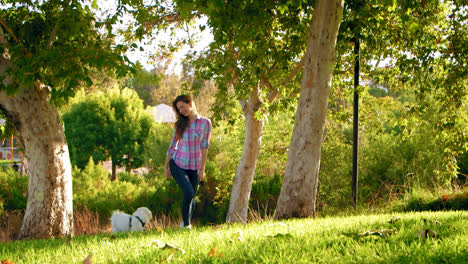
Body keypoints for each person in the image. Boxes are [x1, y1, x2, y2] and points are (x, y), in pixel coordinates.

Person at [164, 95, 212, 229]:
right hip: (178, 164)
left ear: (190, 103)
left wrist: (202, 169)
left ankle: (185, 223)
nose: (181, 111)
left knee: (192, 198)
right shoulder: (180, 124)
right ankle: (186, 226)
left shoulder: (205, 123)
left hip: (195, 167)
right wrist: (166, 165)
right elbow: (173, 145)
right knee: (189, 192)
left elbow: (205, 146)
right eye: (178, 109)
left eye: (182, 107)